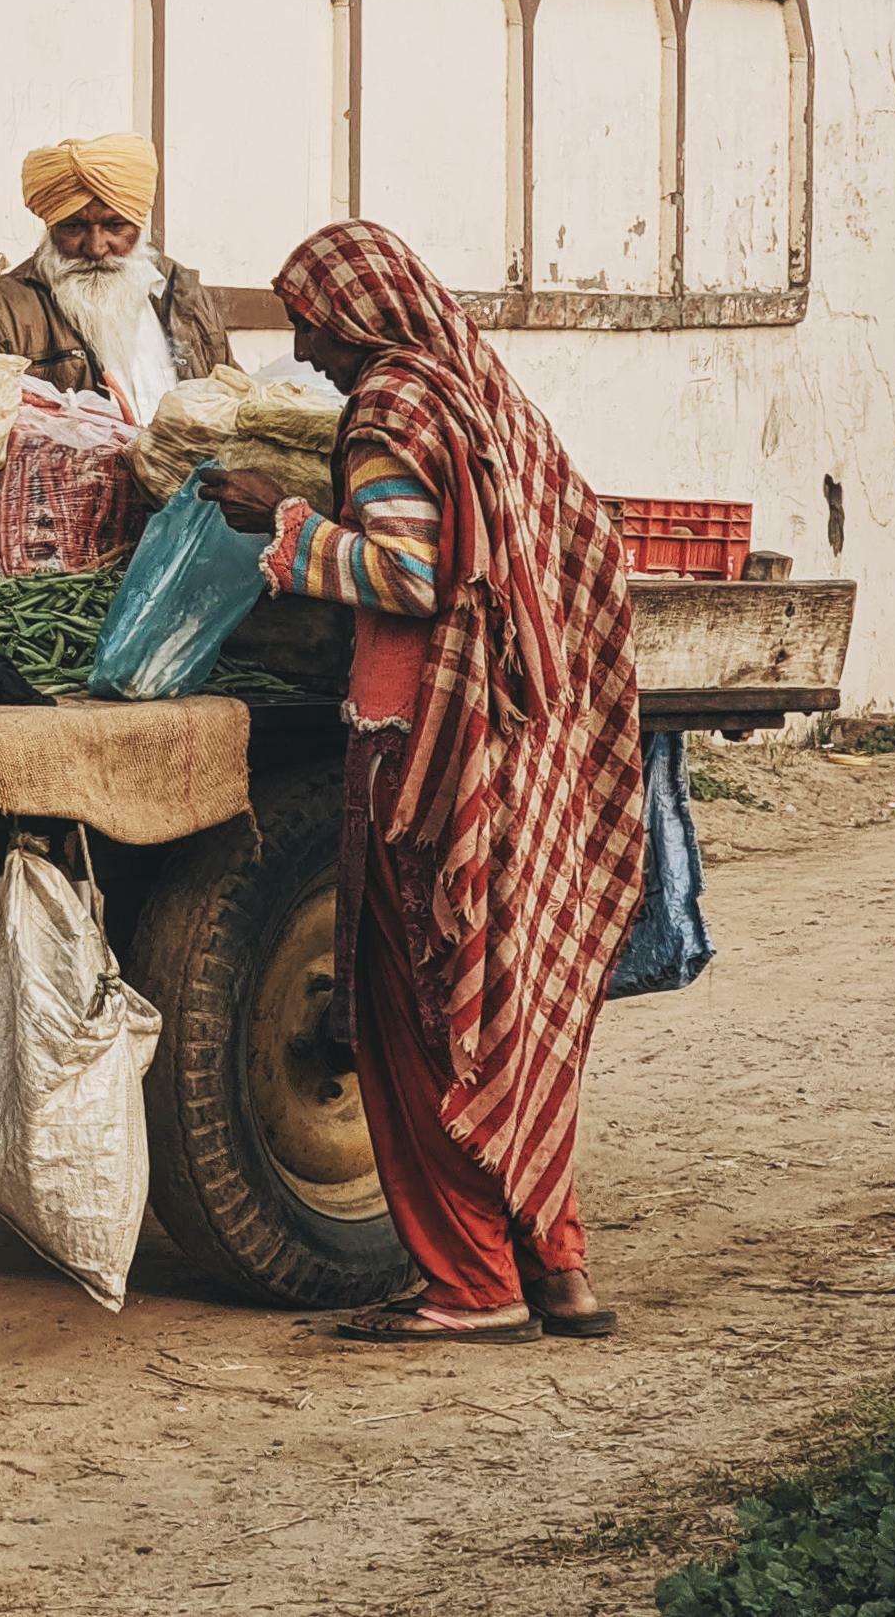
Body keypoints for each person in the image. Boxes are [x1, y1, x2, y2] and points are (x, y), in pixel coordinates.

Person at [197, 220, 645, 1345]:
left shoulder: (391, 410)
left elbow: (405, 571)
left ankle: (467, 1282)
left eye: (308, 321)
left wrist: (284, 522)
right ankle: (558, 1267)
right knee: (505, 1003)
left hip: (422, 739)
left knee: (421, 1015)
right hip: (508, 737)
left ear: (352, 313)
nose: (304, 349)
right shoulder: (473, 387)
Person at [0, 132, 230, 416]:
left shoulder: (182, 293)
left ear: (139, 225)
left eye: (115, 226)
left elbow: (231, 403)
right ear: (50, 229)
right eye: (74, 227)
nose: (96, 248)